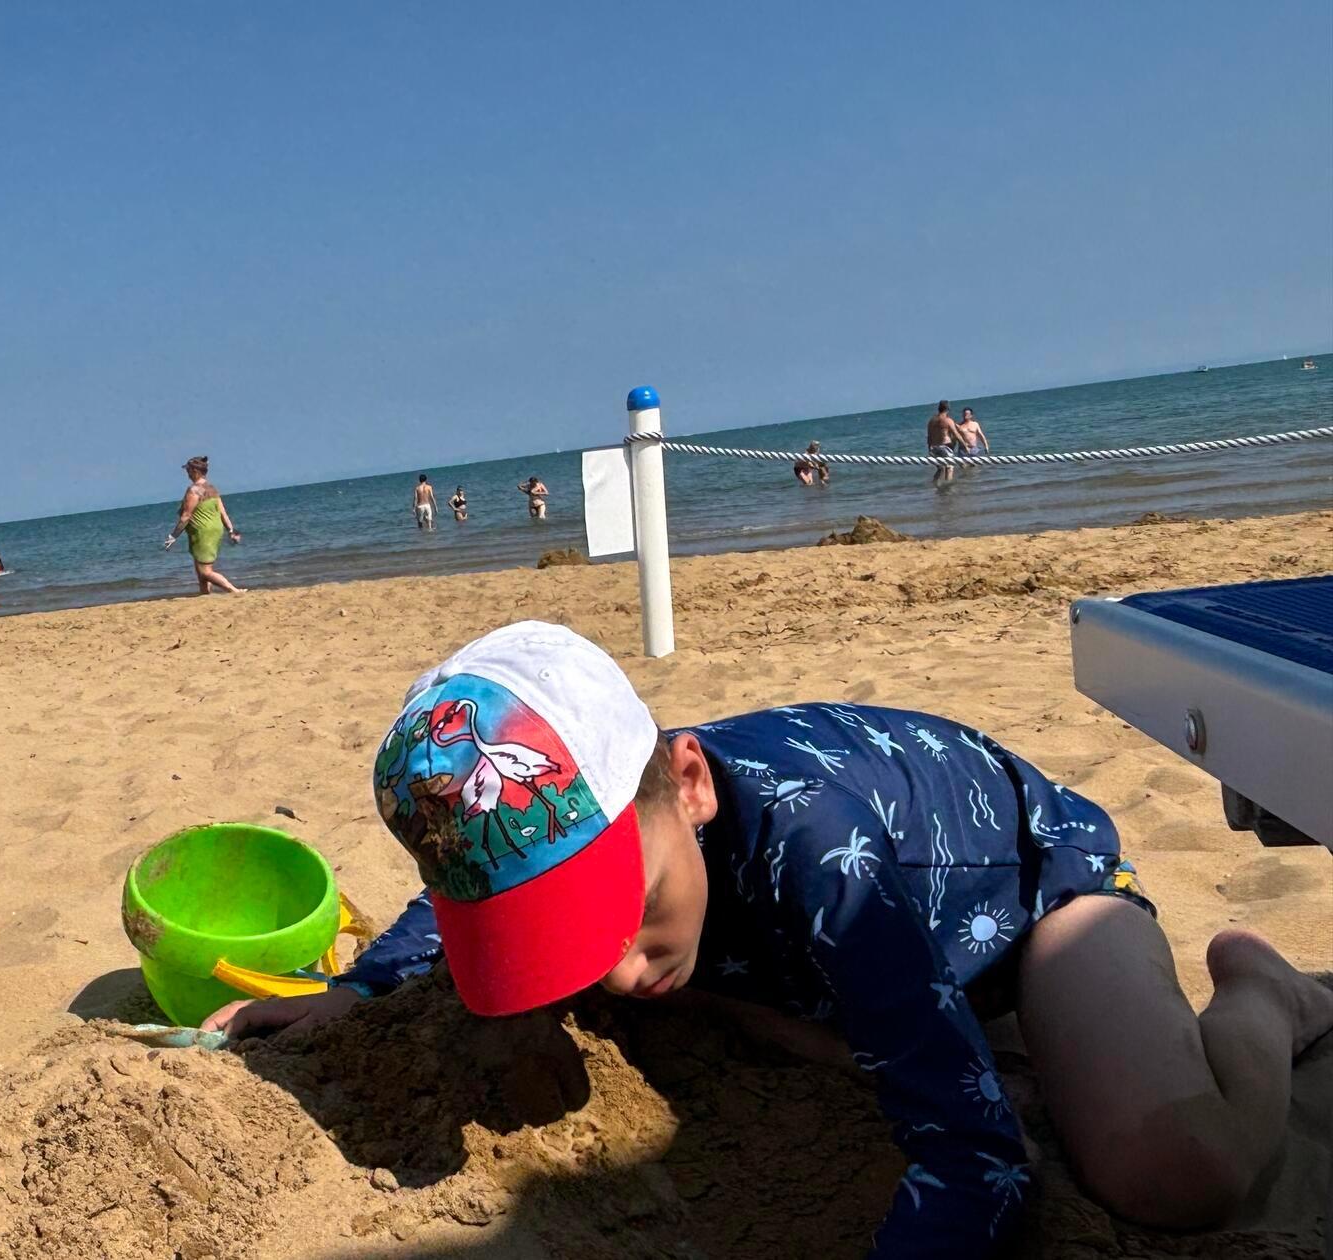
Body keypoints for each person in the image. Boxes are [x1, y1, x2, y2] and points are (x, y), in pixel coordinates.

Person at [207, 621, 1333, 1256]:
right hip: (813, 946)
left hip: (1037, 899)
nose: (603, 967)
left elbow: (976, 1157)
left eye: (611, 913)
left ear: (686, 781)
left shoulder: (816, 855)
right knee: (693, 992)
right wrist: (360, 992)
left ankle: (1263, 997)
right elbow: (447, 912)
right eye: (551, 930)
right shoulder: (638, 850)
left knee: (1174, 1173)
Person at [164, 455, 244, 595]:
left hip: (203, 532)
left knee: (205, 571)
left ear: (195, 471)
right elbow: (222, 512)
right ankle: (204, 595)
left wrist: (173, 536)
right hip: (214, 529)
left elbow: (186, 516)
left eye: (188, 470)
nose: (187, 473)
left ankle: (234, 590)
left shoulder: (195, 490)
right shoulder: (211, 488)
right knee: (201, 570)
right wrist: (231, 530)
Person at [928, 400, 963, 487]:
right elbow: (956, 434)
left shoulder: (931, 421)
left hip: (934, 448)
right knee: (949, 467)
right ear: (948, 408)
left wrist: (929, 448)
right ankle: (948, 488)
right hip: (945, 447)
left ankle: (934, 485)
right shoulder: (948, 420)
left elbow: (929, 436)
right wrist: (965, 446)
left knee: (940, 468)